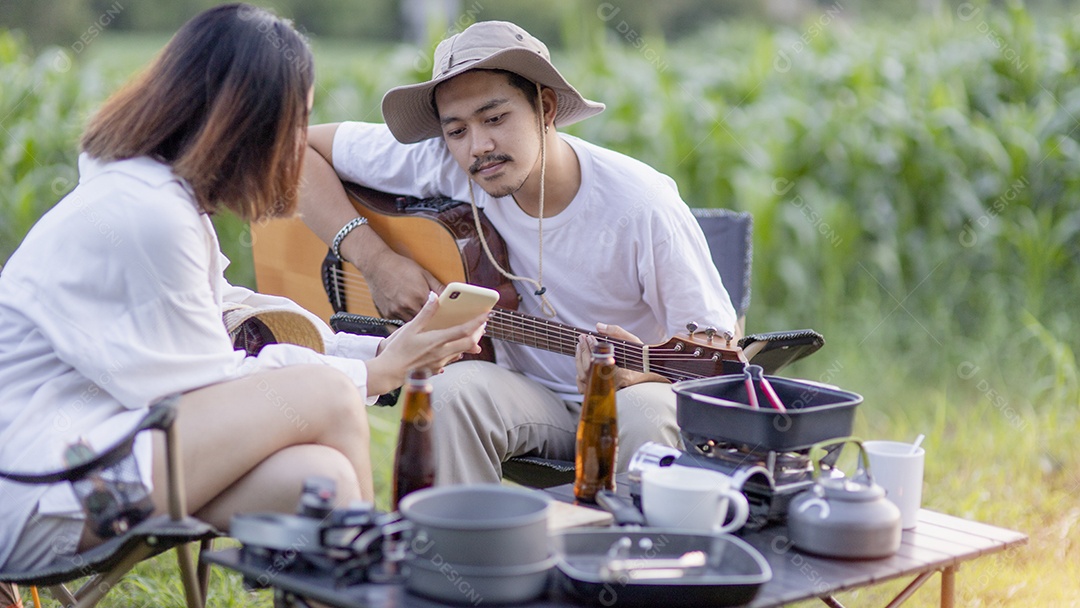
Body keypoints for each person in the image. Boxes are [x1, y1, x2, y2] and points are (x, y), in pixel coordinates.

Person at [0, 4, 485, 572]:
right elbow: (216, 386)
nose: (299, 144)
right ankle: (384, 582)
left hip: (116, 449)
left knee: (321, 480)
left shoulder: (161, 198)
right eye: (296, 122)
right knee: (330, 396)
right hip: (47, 485)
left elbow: (230, 327)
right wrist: (377, 373)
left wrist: (379, 350)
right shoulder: (147, 214)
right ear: (247, 121)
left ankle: (353, 584)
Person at [298, 20, 737, 484]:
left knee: (646, 411)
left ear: (545, 107)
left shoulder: (642, 205)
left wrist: (637, 375)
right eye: (456, 130)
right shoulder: (446, 161)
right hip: (525, 397)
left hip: (628, 399)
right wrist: (376, 261)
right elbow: (294, 148)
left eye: (494, 119)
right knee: (449, 393)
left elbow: (721, 362)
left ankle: (630, 533)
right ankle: (461, 531)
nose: (478, 147)